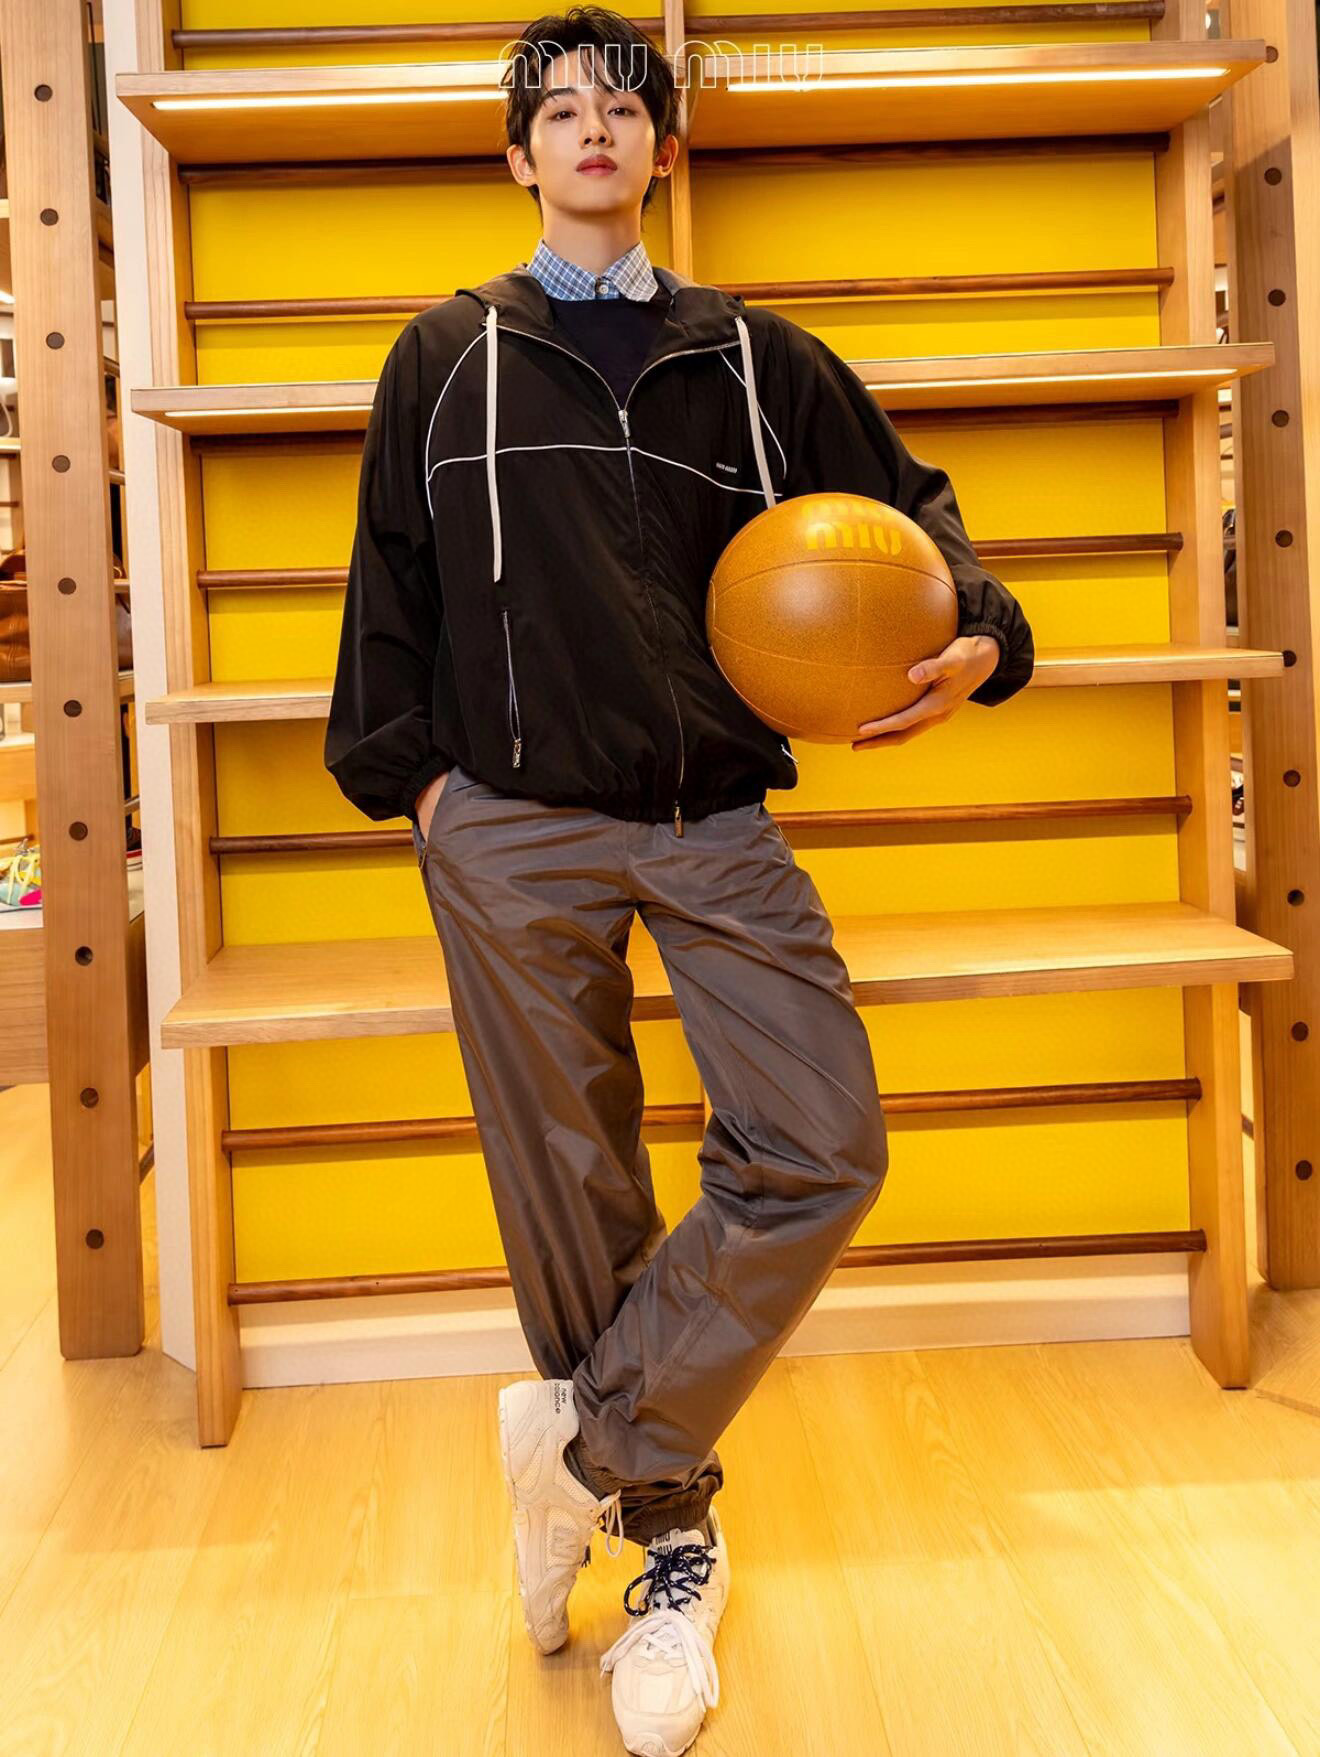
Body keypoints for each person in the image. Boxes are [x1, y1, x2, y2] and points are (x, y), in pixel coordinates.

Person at [325, 8, 1035, 1750]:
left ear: (661, 146)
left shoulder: (761, 360)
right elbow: (388, 589)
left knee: (821, 1145)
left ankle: (576, 1451)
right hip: (508, 820)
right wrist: (420, 791)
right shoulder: (444, 357)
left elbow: (917, 520)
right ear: (519, 155)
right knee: (574, 1181)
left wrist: (984, 632)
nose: (594, 128)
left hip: (712, 812)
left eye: (623, 106)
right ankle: (670, 1549)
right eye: (560, 109)